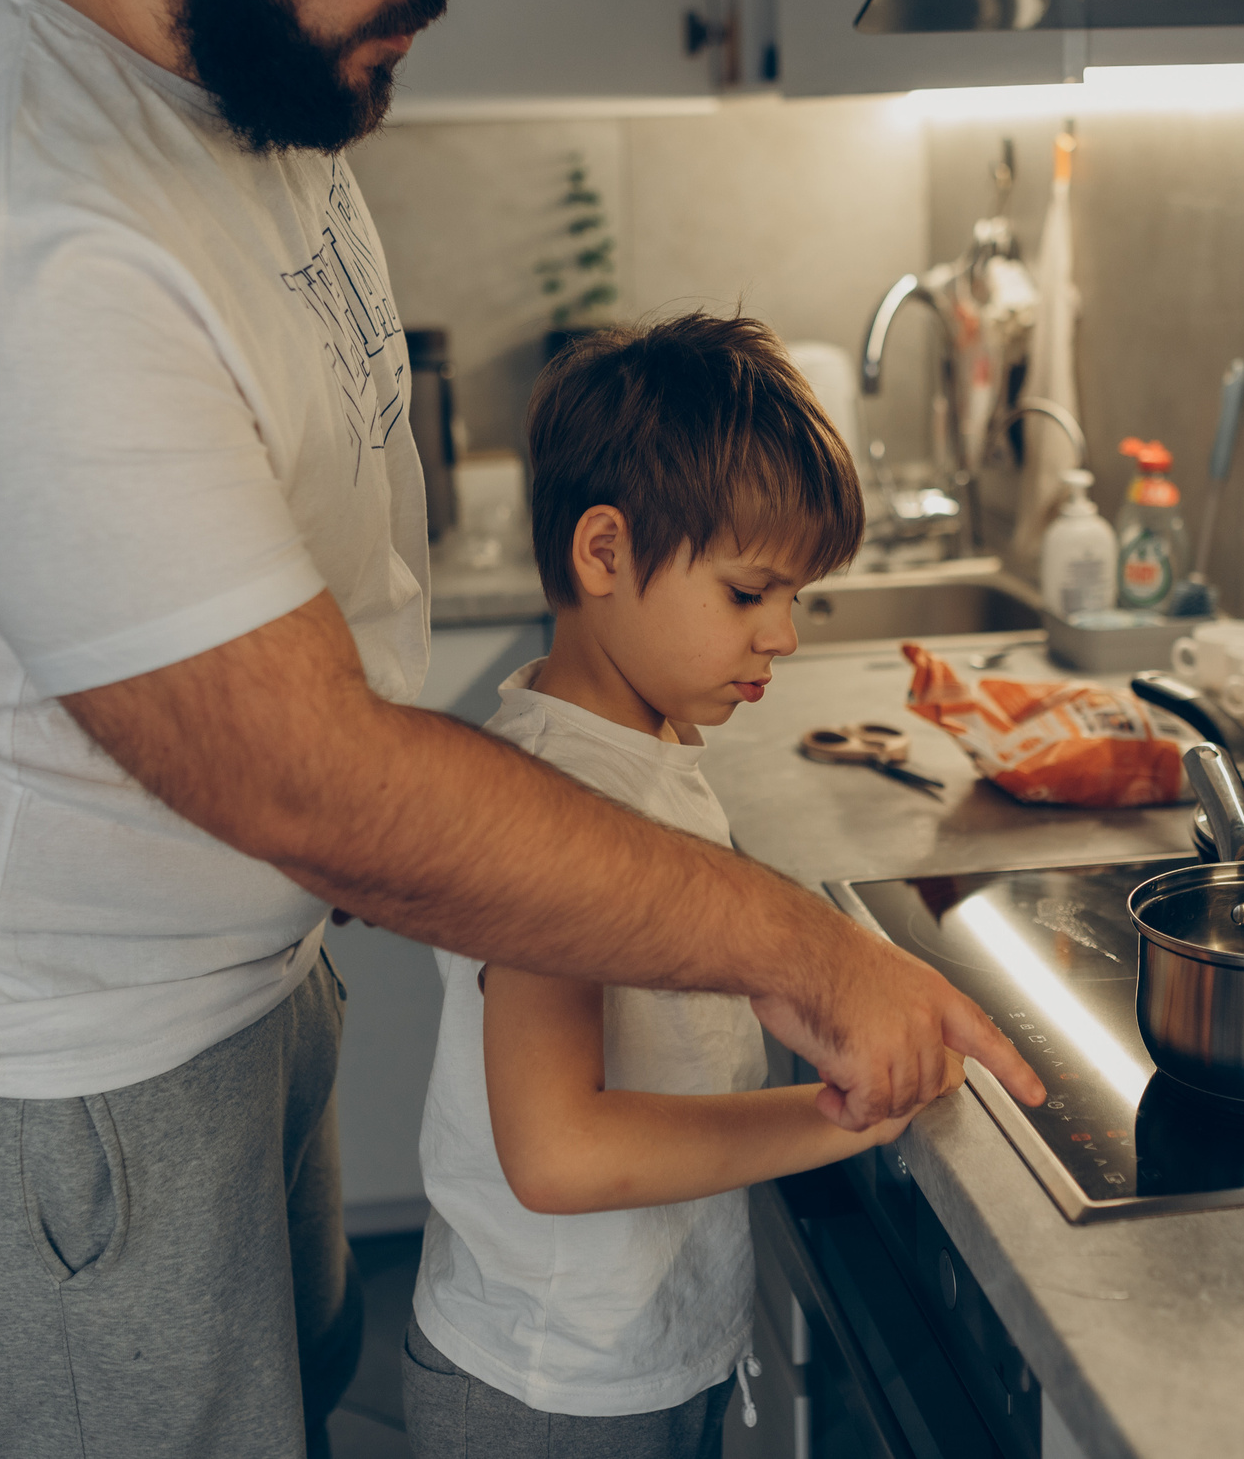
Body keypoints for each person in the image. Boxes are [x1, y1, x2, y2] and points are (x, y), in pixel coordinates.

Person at [0, 0, 1044, 1455]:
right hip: (38, 1064)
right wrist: (799, 951)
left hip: (218, 989)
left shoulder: (233, 69)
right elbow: (310, 779)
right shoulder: (18, 230)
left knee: (291, 1380)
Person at [402, 315, 963, 1459]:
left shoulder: (638, 751)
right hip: (545, 1393)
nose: (785, 636)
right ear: (603, 553)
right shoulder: (557, 802)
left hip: (640, 1355)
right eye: (750, 592)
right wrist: (837, 1118)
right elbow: (558, 1152)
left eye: (795, 597)